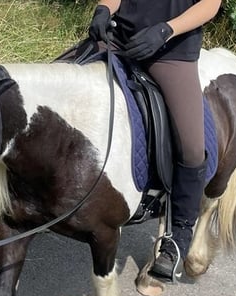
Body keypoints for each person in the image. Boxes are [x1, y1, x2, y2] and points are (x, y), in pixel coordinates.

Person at [88, 0, 222, 281]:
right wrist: (103, 10)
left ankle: (179, 236)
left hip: (170, 51)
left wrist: (165, 30)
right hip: (118, 41)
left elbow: (210, 5)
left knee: (192, 146)